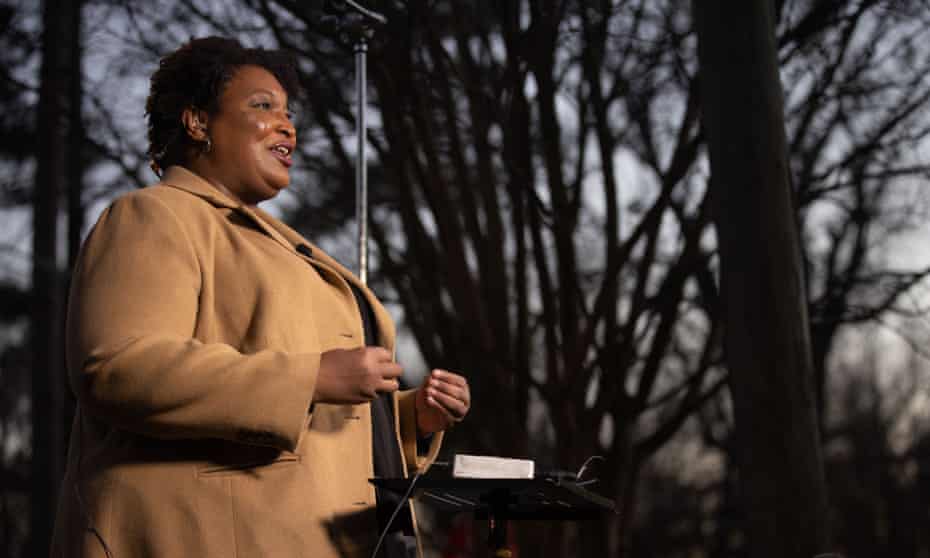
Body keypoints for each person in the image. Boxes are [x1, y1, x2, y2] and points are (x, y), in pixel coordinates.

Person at [51, 36, 470, 558]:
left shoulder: (283, 248)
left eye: (289, 112)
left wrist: (408, 418)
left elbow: (309, 412)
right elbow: (118, 367)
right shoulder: (153, 216)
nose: (288, 125)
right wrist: (313, 376)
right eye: (262, 106)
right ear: (197, 121)